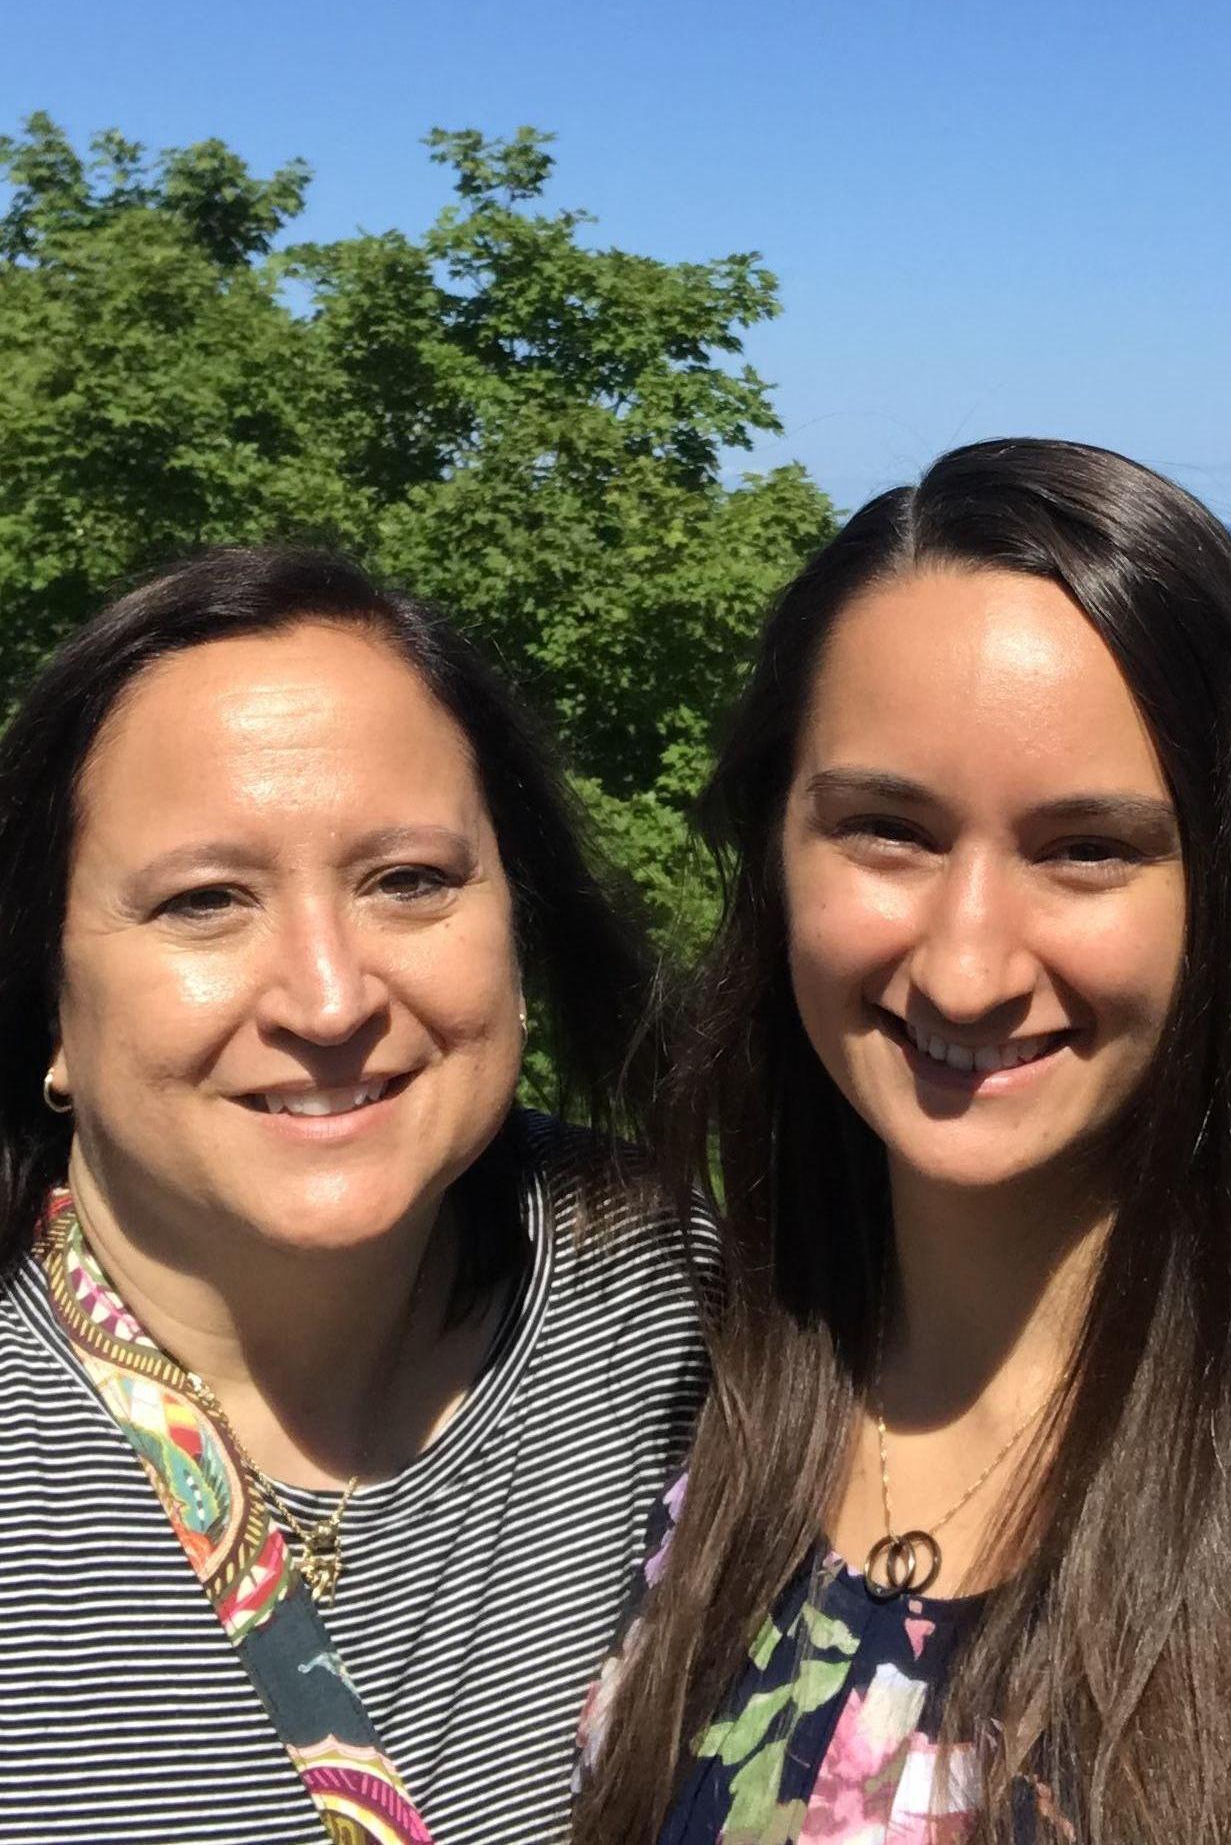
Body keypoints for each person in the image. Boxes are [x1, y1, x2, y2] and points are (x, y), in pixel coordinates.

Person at [574, 438, 1231, 1845]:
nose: (967, 968)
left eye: (1088, 850)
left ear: (1230, 894)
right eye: (887, 831)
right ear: (773, 853)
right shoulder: (675, 1353)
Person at [0, 547, 708, 1845]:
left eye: (411, 882)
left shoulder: (696, 1315)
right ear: (50, 999)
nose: (329, 998)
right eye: (205, 902)